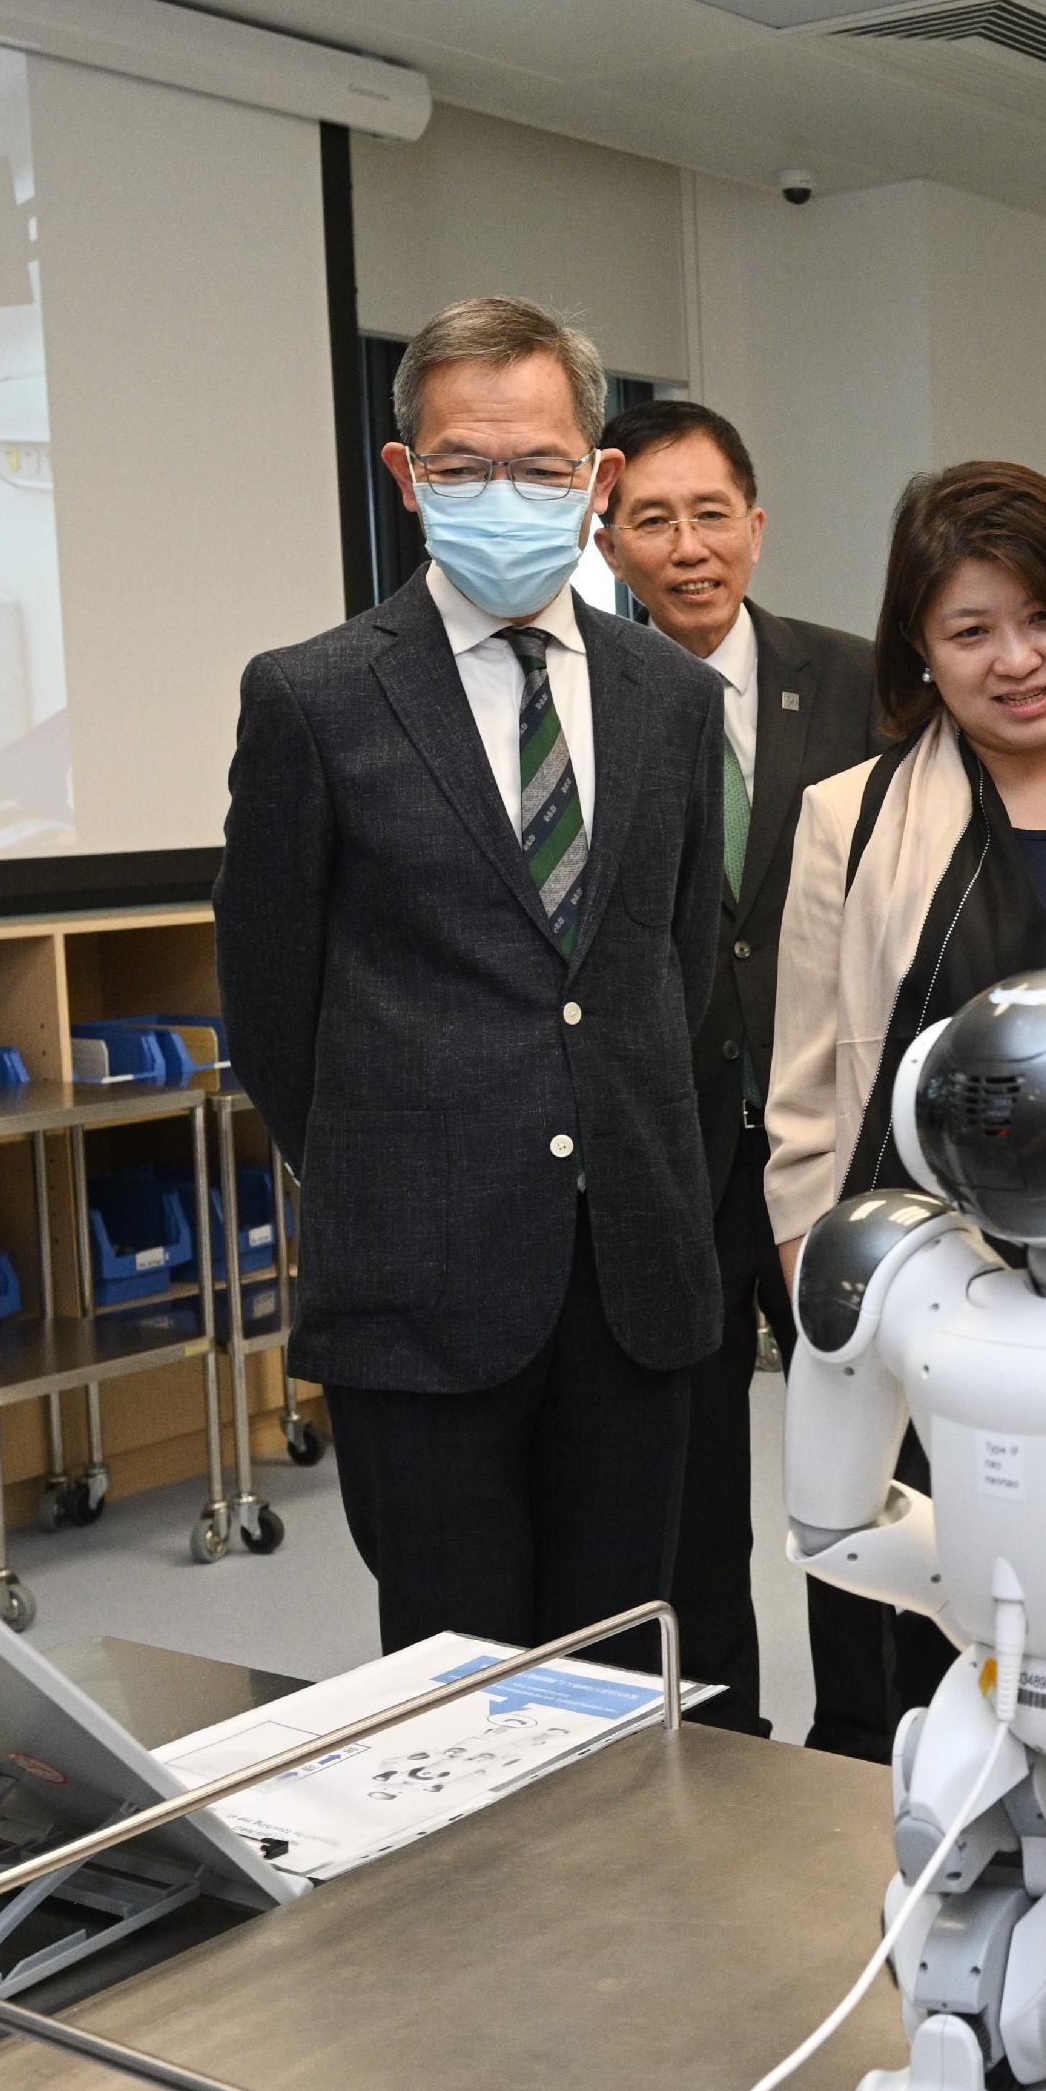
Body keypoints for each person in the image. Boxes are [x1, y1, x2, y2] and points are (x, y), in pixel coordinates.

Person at [216, 295, 728, 1663]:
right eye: (462, 466)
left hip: (632, 1272)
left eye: (541, 467)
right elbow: (268, 1001)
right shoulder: (314, 699)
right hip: (421, 1283)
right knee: (456, 1677)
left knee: (622, 1660)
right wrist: (395, 1170)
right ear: (406, 479)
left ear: (597, 478)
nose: (504, 494)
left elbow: (677, 973)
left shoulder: (670, 698)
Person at [766, 460, 1046, 1758]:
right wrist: (824, 1277)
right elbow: (810, 1084)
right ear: (919, 647)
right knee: (925, 1658)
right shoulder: (846, 822)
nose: (1017, 659)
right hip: (932, 1312)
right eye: (970, 628)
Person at [593, 393, 875, 1740]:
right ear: (610, 534)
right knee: (690, 1487)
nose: (688, 545)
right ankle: (719, 1747)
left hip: (843, 1144)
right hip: (676, 1151)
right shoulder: (580, 705)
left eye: (712, 514)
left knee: (872, 1464)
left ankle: (873, 1740)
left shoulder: (868, 678)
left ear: (756, 527)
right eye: (653, 518)